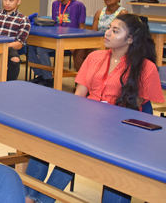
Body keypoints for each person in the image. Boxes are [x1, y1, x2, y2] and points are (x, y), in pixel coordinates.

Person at [25, 14, 163, 203]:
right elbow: (79, 96)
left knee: (78, 154)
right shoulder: (94, 57)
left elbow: (132, 109)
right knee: (46, 140)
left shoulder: (146, 68)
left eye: (115, 31)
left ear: (130, 39)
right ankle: (30, 196)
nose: (107, 33)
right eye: (109, 28)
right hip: (85, 120)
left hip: (118, 130)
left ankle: (40, 199)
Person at [28, 0, 86, 87]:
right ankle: (40, 74)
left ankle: (48, 79)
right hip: (55, 39)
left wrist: (77, 44)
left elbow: (81, 26)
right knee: (30, 46)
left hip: (69, 41)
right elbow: (54, 24)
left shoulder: (78, 5)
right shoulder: (55, 4)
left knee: (41, 49)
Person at [73, 0, 128, 70]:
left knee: (95, 52)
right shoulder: (99, 13)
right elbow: (93, 33)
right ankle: (82, 78)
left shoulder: (122, 13)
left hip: (113, 44)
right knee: (79, 51)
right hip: (98, 42)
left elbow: (122, 35)